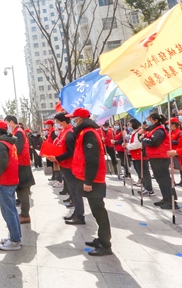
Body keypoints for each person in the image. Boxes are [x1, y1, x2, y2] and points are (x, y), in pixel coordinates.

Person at [67, 108, 113, 256]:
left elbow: (92, 159)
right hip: (89, 178)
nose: (72, 120)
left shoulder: (88, 133)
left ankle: (105, 244)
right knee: (96, 210)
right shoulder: (84, 132)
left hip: (94, 179)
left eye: (74, 118)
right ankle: (101, 238)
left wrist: (88, 181)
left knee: (99, 210)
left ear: (80, 119)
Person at [0, 120, 21, 251]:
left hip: (5, 181)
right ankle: (15, 236)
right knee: (12, 210)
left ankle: (14, 241)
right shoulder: (9, 142)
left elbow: (2, 163)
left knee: (8, 211)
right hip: (11, 180)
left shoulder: (1, 144)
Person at [47, 113, 85, 225]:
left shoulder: (69, 133)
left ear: (63, 122)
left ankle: (79, 216)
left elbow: (70, 152)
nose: (56, 123)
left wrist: (57, 158)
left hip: (70, 165)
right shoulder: (64, 131)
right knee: (72, 191)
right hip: (65, 165)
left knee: (75, 191)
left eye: (57, 121)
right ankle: (76, 213)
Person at [143, 113, 177, 209]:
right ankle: (165, 198)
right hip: (155, 157)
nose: (147, 121)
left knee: (164, 179)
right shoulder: (153, 129)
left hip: (161, 157)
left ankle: (171, 200)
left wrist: (143, 139)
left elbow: (154, 142)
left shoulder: (159, 130)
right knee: (159, 179)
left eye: (149, 119)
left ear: (155, 120)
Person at [5, 115, 35, 224]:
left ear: (11, 122)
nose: (6, 126)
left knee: (23, 190)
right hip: (20, 164)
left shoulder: (18, 132)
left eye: (6, 123)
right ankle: (23, 213)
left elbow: (17, 149)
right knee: (21, 190)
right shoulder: (16, 132)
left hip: (22, 164)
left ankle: (25, 214)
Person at [127, 119, 153, 195]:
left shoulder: (139, 132)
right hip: (135, 155)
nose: (129, 125)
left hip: (140, 155)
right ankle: (146, 187)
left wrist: (127, 146)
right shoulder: (134, 132)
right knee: (140, 173)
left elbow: (138, 144)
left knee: (144, 173)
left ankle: (149, 189)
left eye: (130, 124)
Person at [169, 117, 182, 186]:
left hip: (177, 152)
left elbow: (179, 142)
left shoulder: (179, 132)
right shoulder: (170, 132)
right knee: (171, 167)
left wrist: (171, 141)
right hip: (170, 152)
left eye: (170, 124)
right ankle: (173, 181)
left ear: (174, 125)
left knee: (181, 168)